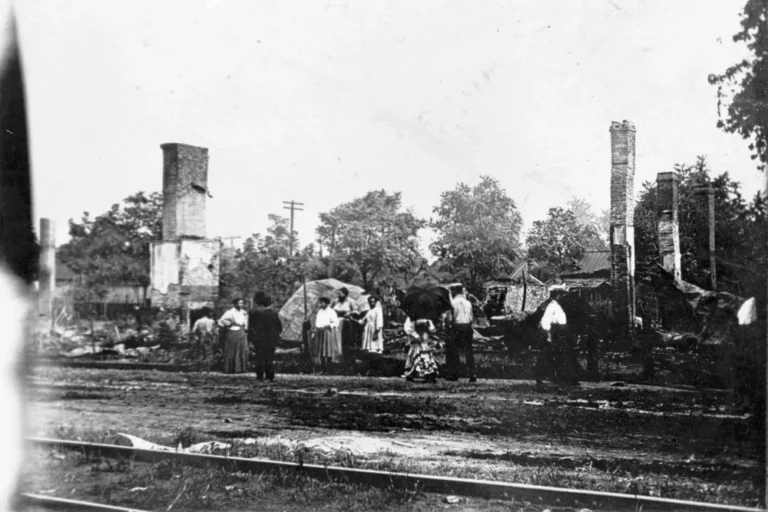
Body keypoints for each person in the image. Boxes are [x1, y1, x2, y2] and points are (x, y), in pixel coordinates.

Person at [536, 289, 574, 385]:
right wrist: (549, 335)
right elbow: (545, 321)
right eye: (561, 295)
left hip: (560, 332)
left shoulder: (557, 306)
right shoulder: (551, 306)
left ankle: (559, 377)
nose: (562, 297)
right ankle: (541, 377)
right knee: (549, 356)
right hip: (554, 333)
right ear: (557, 296)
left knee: (558, 356)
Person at [248, 293, 283, 381]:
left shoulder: (257, 314)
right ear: (270, 304)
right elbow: (280, 327)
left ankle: (260, 375)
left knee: (259, 357)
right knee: (269, 357)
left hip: (260, 339)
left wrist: (252, 339)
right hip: (271, 339)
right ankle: (269, 375)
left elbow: (255, 328)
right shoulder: (274, 314)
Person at [447, 285, 476, 382]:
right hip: (467, 326)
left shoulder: (452, 302)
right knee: (469, 351)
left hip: (457, 327)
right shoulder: (468, 303)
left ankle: (454, 374)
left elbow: (450, 319)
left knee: (454, 351)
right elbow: (471, 317)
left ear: (454, 292)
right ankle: (472, 374)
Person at [402, 315, 439, 382]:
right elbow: (407, 328)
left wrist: (431, 329)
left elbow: (431, 329)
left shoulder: (427, 318)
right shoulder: (411, 317)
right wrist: (416, 335)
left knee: (425, 355)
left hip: (424, 338)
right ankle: (412, 374)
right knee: (414, 354)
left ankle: (428, 374)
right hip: (416, 339)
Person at [218, 298, 249, 374]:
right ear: (235, 304)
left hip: (241, 332)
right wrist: (230, 324)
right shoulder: (229, 312)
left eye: (242, 303)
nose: (241, 305)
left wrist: (244, 326)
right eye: (239, 303)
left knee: (241, 349)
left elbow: (245, 323)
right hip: (232, 332)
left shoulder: (244, 312)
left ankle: (240, 368)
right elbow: (221, 320)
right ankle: (230, 368)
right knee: (231, 350)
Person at [314, 297, 340, 371]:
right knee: (321, 349)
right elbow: (317, 321)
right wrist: (318, 327)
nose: (320, 304)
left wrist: (329, 325)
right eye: (320, 303)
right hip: (320, 331)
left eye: (322, 303)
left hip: (328, 332)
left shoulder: (331, 312)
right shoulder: (320, 311)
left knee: (328, 349)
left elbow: (336, 322)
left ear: (326, 303)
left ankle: (329, 368)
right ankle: (322, 368)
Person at [331, 287, 357, 358]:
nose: (338, 295)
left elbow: (356, 311)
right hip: (336, 322)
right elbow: (329, 309)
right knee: (335, 338)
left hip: (346, 322)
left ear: (345, 294)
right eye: (337, 294)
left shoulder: (351, 301)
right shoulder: (335, 301)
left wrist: (350, 313)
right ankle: (336, 354)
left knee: (345, 340)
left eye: (340, 294)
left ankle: (345, 356)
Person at [191, 307, 216, 373]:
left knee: (200, 353)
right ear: (208, 313)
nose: (211, 313)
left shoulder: (198, 321)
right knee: (209, 354)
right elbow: (214, 331)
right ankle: (208, 370)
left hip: (201, 337)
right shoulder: (211, 321)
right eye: (210, 312)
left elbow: (193, 331)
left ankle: (200, 370)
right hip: (209, 338)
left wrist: (196, 336)